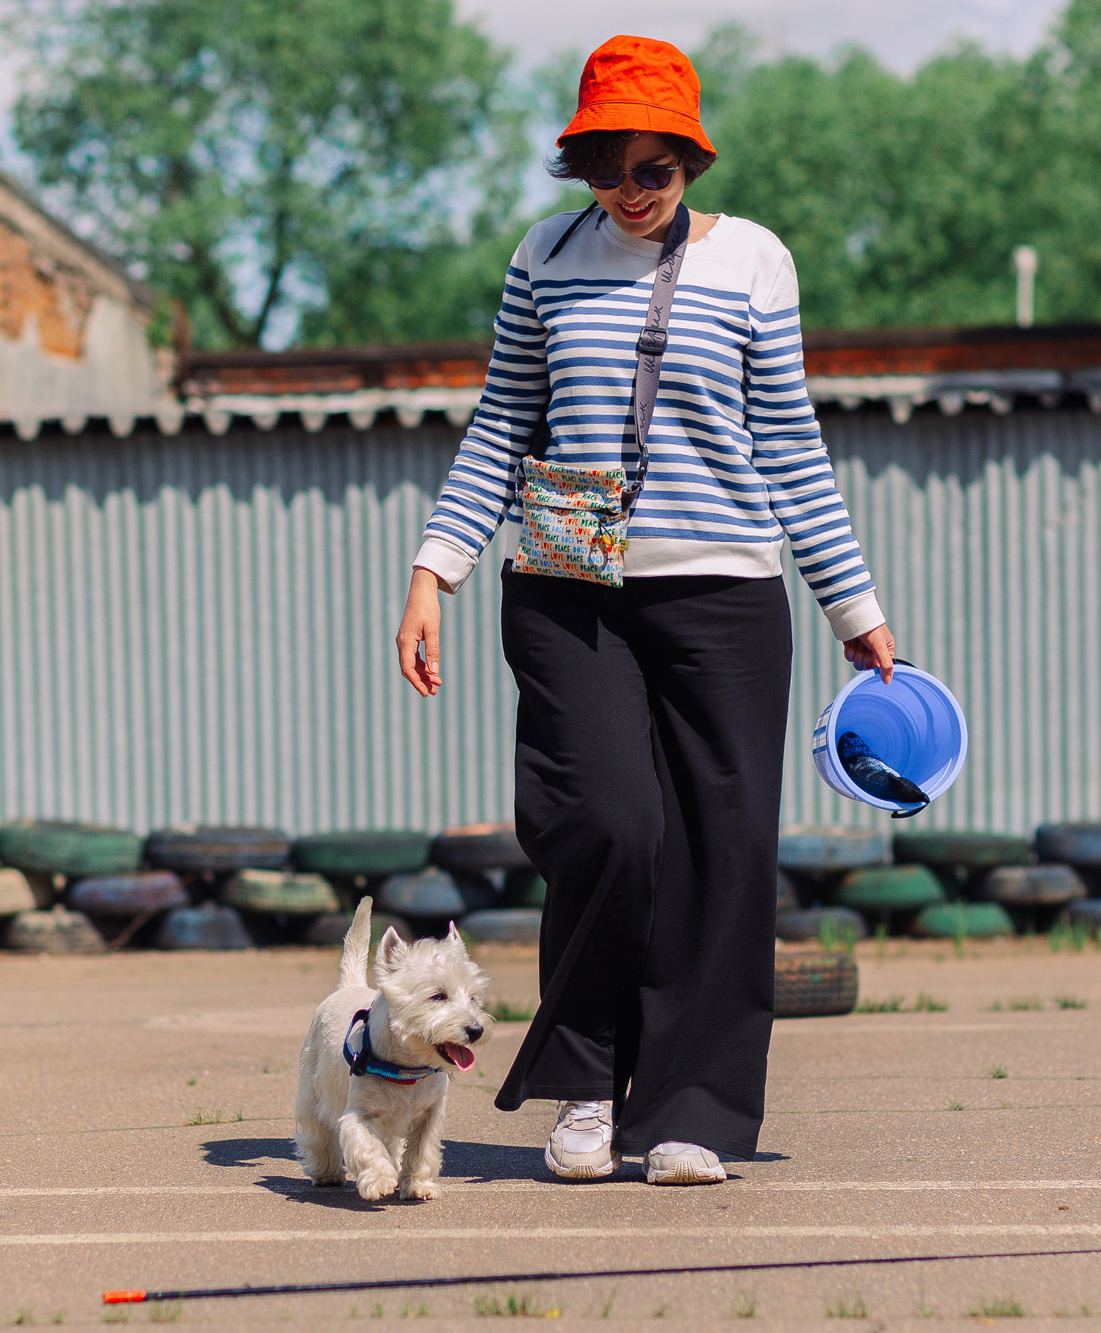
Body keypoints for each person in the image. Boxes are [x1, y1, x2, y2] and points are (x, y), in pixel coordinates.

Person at [394, 34, 896, 1185]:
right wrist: (434, 569)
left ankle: (689, 1113)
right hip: (570, 596)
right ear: (580, 165)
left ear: (688, 164)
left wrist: (852, 608)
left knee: (720, 858)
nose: (630, 192)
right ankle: (581, 1083)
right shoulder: (543, 257)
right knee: (609, 829)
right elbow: (499, 422)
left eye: (653, 170)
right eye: (608, 169)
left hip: (727, 596)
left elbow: (791, 447)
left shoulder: (755, 264)